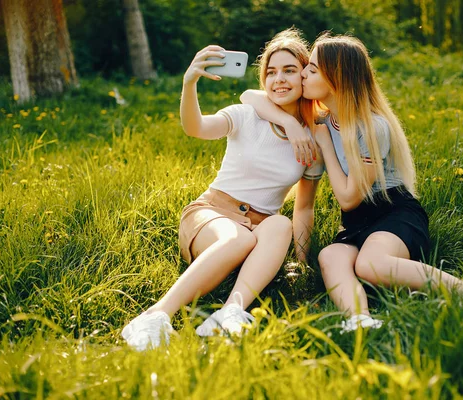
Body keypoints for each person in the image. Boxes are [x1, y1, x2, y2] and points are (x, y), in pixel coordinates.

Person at [240, 32, 463, 333]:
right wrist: (292, 123)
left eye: (312, 69)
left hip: (394, 213)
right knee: (330, 256)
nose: (303, 73)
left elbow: (348, 199)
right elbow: (249, 96)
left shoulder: (371, 127)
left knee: (369, 264)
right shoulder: (325, 120)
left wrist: (325, 145)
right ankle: (360, 319)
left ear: (335, 78)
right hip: (356, 224)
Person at [121, 28, 323, 351]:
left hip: (260, 227)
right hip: (211, 214)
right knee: (238, 237)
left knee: (280, 223)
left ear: (305, 76)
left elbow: (304, 208)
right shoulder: (246, 115)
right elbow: (196, 127)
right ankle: (154, 316)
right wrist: (189, 84)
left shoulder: (311, 143)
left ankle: (229, 313)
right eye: (270, 72)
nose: (278, 79)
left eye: (288, 70)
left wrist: (302, 263)